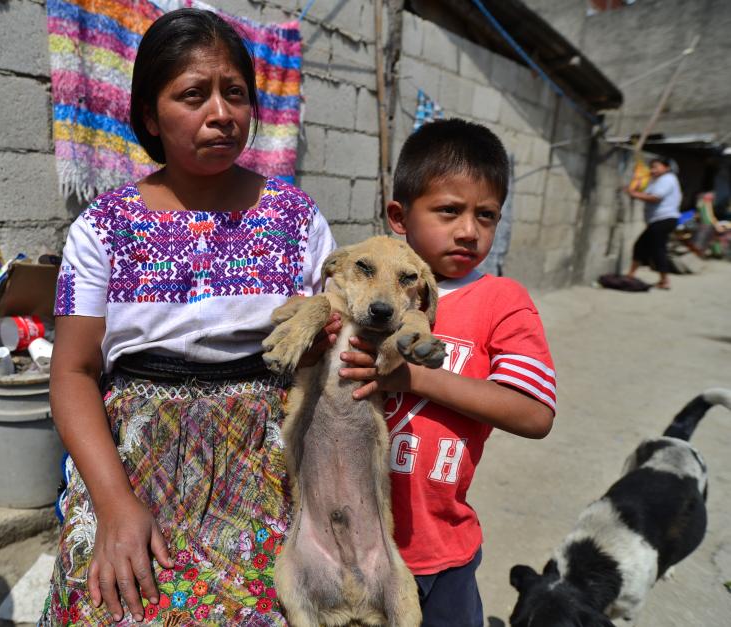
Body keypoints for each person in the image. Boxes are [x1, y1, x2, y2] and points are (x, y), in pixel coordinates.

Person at [40, 9, 336, 626]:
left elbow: (320, 352)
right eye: (193, 95)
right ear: (150, 115)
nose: (221, 113)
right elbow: (71, 372)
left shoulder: (298, 220)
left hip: (263, 456)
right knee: (108, 606)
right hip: (135, 456)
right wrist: (115, 504)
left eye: (235, 93)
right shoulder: (102, 228)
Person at [337, 119, 556, 627]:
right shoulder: (365, 283)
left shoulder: (502, 302)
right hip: (347, 541)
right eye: (449, 211)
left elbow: (534, 414)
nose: (469, 231)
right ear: (399, 215)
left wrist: (413, 380)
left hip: (440, 548)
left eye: (486, 215)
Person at [624, 157, 682, 289]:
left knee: (657, 249)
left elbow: (655, 197)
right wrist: (637, 190)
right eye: (652, 167)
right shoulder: (657, 181)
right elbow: (648, 193)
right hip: (659, 220)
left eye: (656, 166)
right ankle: (631, 275)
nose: (652, 170)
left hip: (664, 219)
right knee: (642, 246)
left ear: (666, 168)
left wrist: (633, 194)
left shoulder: (668, 179)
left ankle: (664, 281)